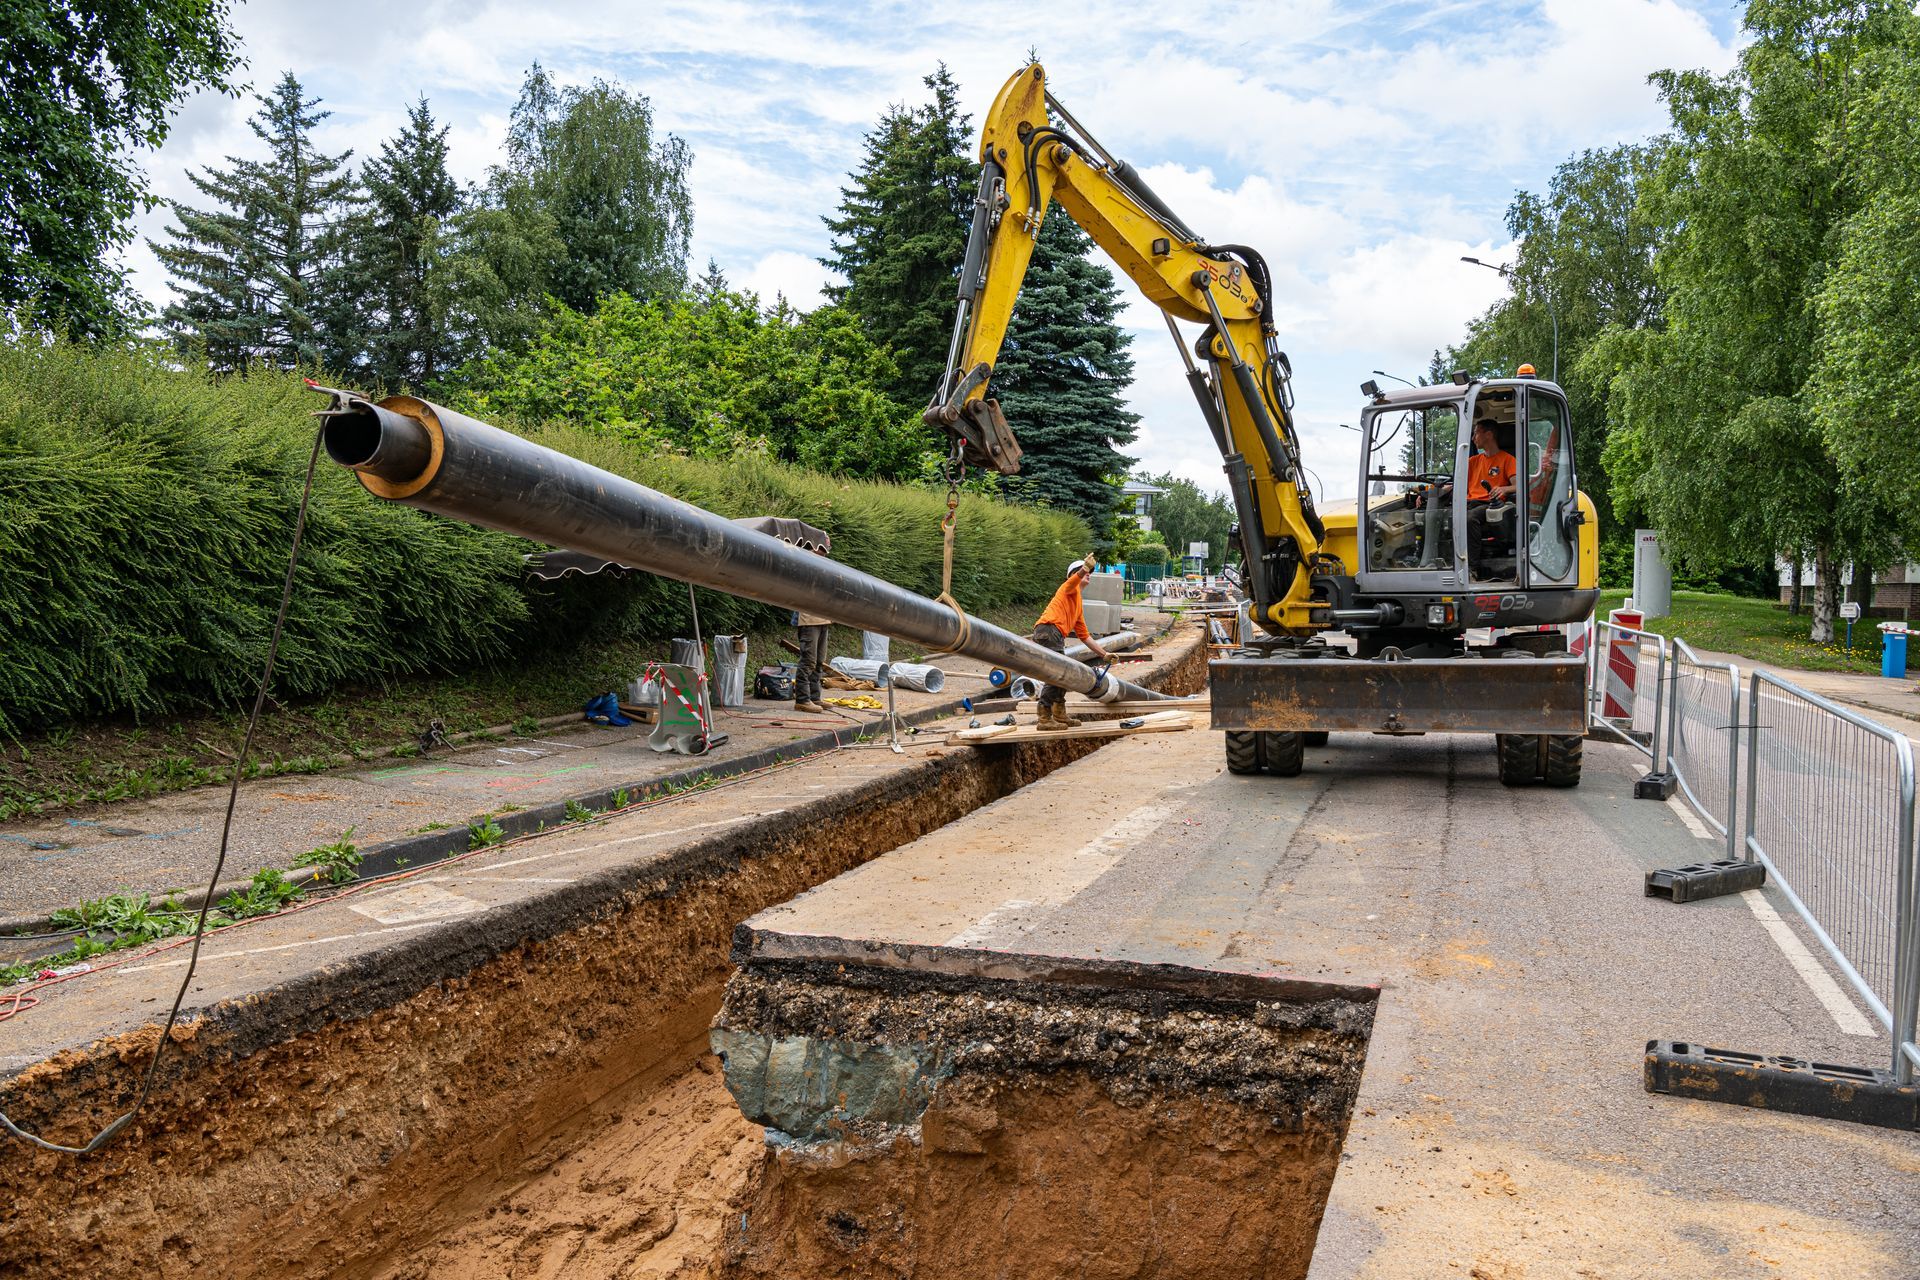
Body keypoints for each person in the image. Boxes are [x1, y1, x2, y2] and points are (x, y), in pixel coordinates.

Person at [1027, 555, 1113, 731]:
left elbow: (1085, 636)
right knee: (1056, 674)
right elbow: (1074, 581)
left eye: (1089, 572)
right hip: (1049, 630)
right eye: (1085, 572)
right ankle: (1044, 717)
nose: (1088, 574)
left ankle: (1058, 713)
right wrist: (1084, 568)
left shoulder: (1078, 603)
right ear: (1073, 575)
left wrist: (1104, 654)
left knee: (1063, 674)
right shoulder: (1067, 589)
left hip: (1053, 634)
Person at [1462, 417, 1517, 570]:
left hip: (1489, 505)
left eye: (1475, 433)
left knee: (1469, 519)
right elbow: (1456, 484)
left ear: (1489, 435)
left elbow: (1519, 486)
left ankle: (1472, 569)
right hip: (1469, 503)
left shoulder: (1507, 460)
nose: (1473, 438)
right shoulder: (1472, 461)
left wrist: (1503, 489)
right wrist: (1432, 493)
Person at [791, 545, 831, 713]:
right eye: (823, 545)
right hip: (808, 619)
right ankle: (802, 700)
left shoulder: (824, 564)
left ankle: (814, 697)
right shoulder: (803, 561)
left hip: (823, 618)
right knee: (808, 661)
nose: (826, 549)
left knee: (819, 662)